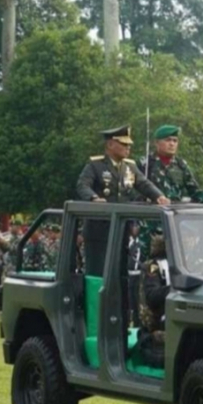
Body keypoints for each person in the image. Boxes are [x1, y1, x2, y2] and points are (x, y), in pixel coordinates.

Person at [76, 125, 170, 276]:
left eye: (129, 144)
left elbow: (144, 184)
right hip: (99, 229)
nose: (128, 148)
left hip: (121, 228)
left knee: (120, 271)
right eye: (124, 144)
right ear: (110, 144)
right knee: (98, 272)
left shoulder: (129, 167)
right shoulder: (96, 165)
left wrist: (159, 196)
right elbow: (82, 185)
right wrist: (94, 198)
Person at [137, 124, 203, 203]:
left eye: (175, 141)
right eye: (168, 140)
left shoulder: (181, 165)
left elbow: (194, 189)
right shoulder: (145, 164)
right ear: (157, 143)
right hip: (153, 211)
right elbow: (132, 191)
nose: (172, 144)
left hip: (176, 210)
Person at [138, 234, 170, 368]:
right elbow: (152, 296)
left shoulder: (175, 264)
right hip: (155, 325)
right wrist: (174, 289)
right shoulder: (153, 266)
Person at [128, 222, 144, 328]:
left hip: (137, 275)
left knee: (137, 300)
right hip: (128, 275)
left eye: (137, 227)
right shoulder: (127, 243)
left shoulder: (141, 244)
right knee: (128, 300)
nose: (135, 229)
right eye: (134, 226)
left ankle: (137, 323)